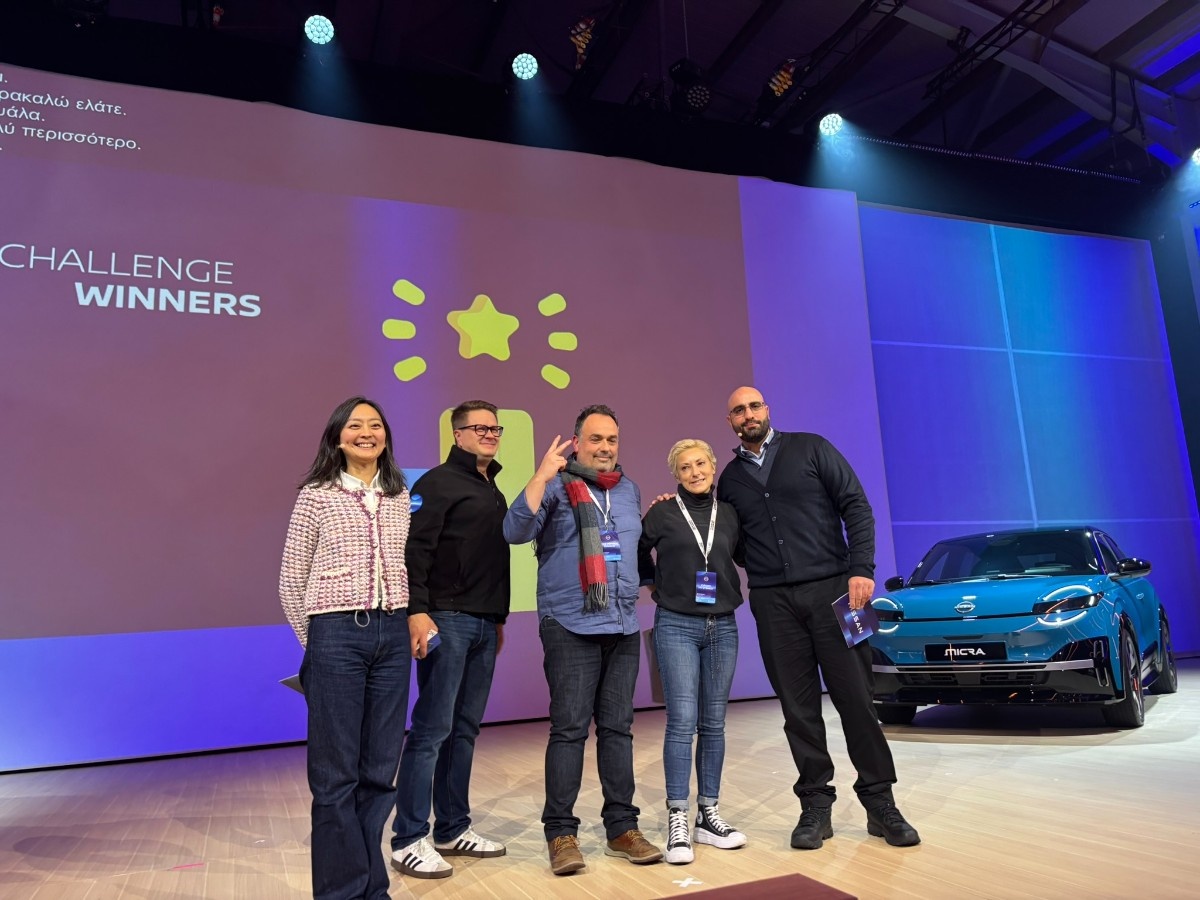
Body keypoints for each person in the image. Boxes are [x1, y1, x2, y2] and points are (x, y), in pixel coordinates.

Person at [715, 386, 920, 849]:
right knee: (798, 709)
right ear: (730, 421)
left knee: (859, 700)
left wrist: (862, 569)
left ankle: (880, 803)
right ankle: (815, 806)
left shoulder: (812, 447)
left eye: (754, 406)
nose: (748, 414)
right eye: (738, 410)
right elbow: (735, 543)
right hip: (773, 603)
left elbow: (856, 506)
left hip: (840, 593)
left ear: (767, 409)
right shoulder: (729, 480)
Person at [503, 405, 663, 876]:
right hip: (570, 623)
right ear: (577, 443)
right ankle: (561, 833)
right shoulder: (555, 486)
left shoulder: (629, 490)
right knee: (570, 729)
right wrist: (540, 475)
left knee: (618, 729)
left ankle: (622, 829)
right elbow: (514, 530)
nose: (605, 447)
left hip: (622, 623)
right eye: (595, 439)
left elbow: (634, 552)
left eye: (611, 439)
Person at [279, 396, 413, 900]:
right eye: (355, 425)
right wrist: (317, 646)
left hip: (392, 635)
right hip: (335, 635)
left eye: (375, 425)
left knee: (379, 773)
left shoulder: (398, 495)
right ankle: (341, 893)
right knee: (336, 777)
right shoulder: (316, 495)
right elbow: (291, 581)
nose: (366, 433)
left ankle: (371, 889)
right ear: (337, 437)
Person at [390, 400, 510, 878]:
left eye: (495, 427)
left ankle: (452, 828)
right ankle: (408, 838)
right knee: (431, 731)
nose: (489, 434)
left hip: (483, 623)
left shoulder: (491, 486)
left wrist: (497, 619)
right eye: (479, 427)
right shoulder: (436, 483)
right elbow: (415, 552)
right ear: (457, 434)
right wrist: (417, 612)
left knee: (464, 730)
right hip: (446, 620)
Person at [637, 439, 748, 865]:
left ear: (713, 466)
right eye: (685, 467)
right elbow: (637, 549)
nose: (695, 472)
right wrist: (654, 585)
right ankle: (678, 817)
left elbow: (742, 555)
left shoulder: (730, 514)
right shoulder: (663, 512)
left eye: (701, 463)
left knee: (714, 723)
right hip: (677, 625)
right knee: (682, 722)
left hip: (723, 626)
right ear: (676, 475)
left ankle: (709, 814)